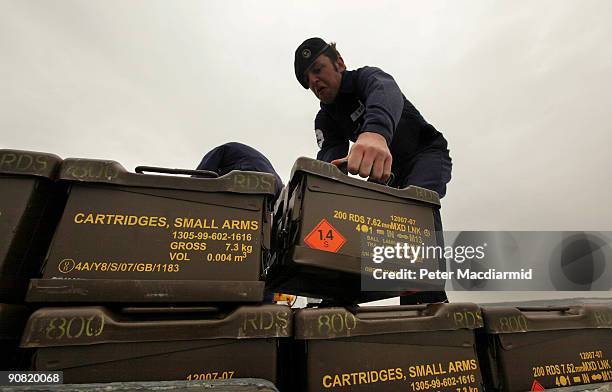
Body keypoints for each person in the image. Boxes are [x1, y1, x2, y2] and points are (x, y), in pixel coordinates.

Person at [294, 37, 452, 304]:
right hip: (390, 175)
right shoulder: (325, 118)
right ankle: (337, 290)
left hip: (425, 154)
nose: (314, 81)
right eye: (308, 79)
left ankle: (428, 297)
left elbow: (385, 89)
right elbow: (329, 164)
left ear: (339, 63)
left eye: (318, 69)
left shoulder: (367, 79)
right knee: (343, 208)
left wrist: (375, 133)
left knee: (416, 206)